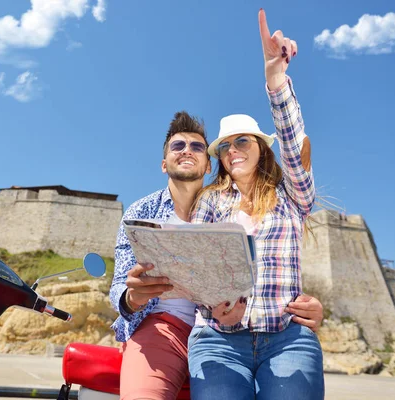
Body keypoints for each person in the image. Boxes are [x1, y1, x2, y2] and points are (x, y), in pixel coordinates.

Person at [109, 110, 324, 400]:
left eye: (197, 146)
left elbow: (294, 144)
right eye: (178, 146)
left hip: (256, 329)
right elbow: (123, 284)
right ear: (164, 163)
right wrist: (132, 298)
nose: (187, 151)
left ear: (208, 162)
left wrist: (275, 79)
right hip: (175, 327)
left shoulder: (262, 198)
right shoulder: (149, 210)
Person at [187, 9, 324, 400]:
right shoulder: (210, 202)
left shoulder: (292, 196)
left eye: (242, 141)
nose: (232, 150)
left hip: (287, 338)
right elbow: (192, 266)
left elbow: (295, 147)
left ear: (261, 148)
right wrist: (213, 306)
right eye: (225, 146)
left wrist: (275, 77)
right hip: (217, 341)